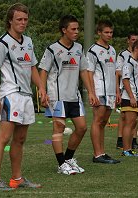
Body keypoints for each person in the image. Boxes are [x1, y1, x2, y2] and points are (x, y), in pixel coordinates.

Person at [0, 3, 47, 191]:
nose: (23, 23)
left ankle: (17, 178)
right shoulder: (1, 43)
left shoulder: (28, 41)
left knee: (20, 139)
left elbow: (32, 68)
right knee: (3, 138)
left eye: (25, 19)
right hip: (10, 95)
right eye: (19, 19)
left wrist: (42, 89)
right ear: (10, 21)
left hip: (26, 96)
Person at [39, 15, 98, 175]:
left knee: (82, 127)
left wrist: (91, 92)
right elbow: (43, 70)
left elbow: (84, 70)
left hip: (74, 96)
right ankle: (61, 164)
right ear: (64, 30)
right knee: (59, 128)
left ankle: (68, 159)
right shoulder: (52, 49)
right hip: (57, 96)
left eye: (78, 29)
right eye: (73, 29)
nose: (77, 32)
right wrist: (42, 91)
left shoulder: (78, 48)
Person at [86, 20, 120, 164]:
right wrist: (91, 92)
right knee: (97, 121)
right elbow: (89, 72)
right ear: (99, 33)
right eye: (106, 32)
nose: (109, 35)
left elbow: (115, 73)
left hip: (111, 91)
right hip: (99, 90)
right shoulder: (93, 50)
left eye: (111, 32)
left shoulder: (112, 50)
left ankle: (103, 152)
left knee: (104, 122)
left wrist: (117, 91)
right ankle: (97, 154)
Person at [115, 31, 138, 149]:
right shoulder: (128, 62)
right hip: (129, 97)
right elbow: (125, 80)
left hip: (137, 96)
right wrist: (131, 97)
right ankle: (126, 149)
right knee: (129, 123)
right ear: (136, 49)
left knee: (133, 122)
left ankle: (130, 147)